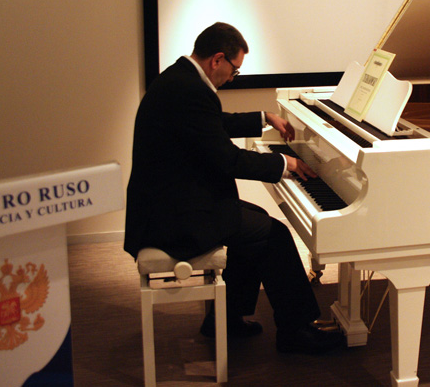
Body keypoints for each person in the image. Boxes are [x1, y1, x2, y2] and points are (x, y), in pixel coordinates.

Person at [124, 22, 344, 354]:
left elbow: (211, 126)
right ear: (217, 59)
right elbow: (228, 160)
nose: (231, 78)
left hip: (167, 202)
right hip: (171, 218)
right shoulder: (189, 91)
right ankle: (295, 331)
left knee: (253, 220)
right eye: (234, 70)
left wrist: (264, 117)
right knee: (273, 235)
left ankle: (225, 319)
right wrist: (285, 164)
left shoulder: (180, 79)